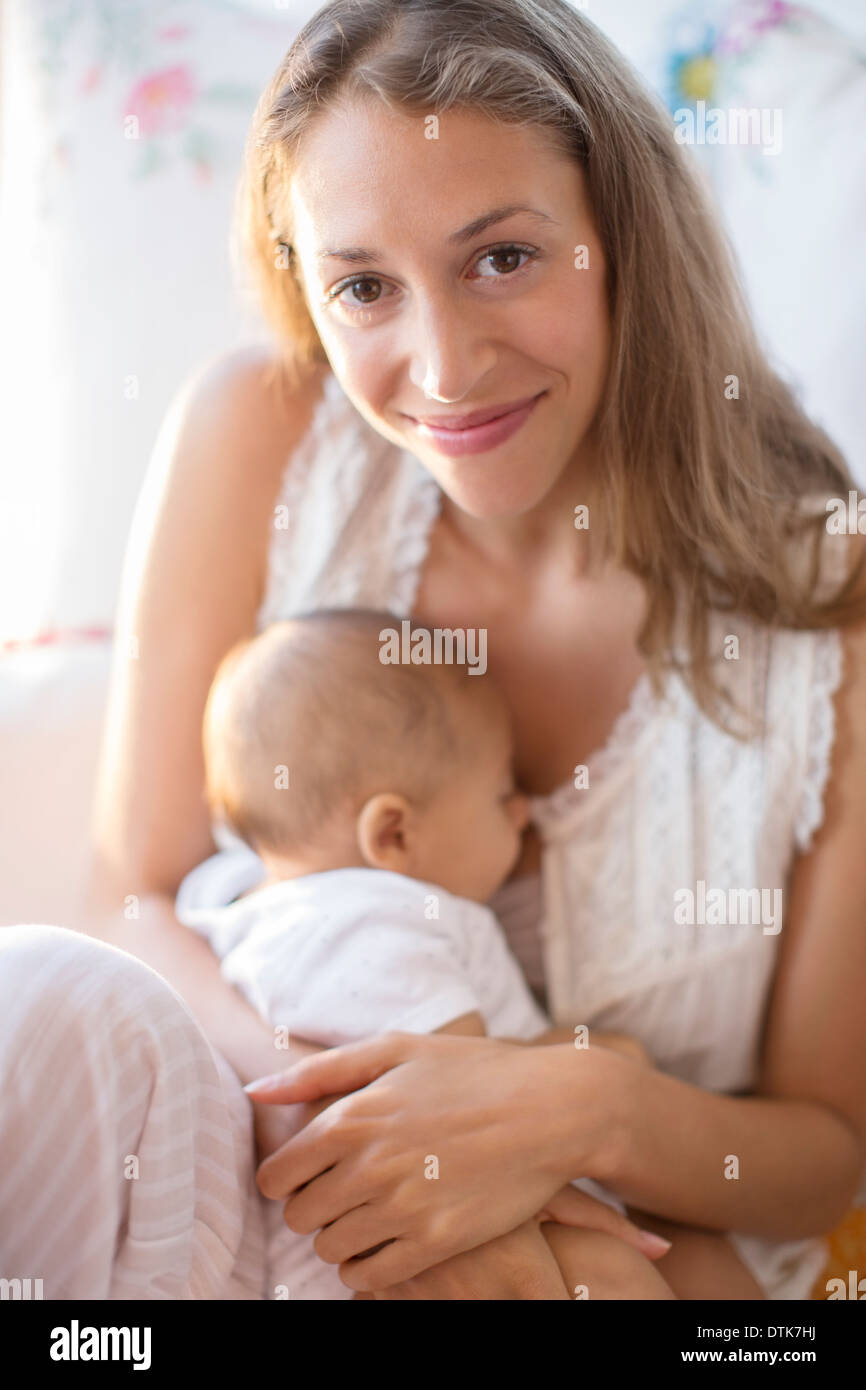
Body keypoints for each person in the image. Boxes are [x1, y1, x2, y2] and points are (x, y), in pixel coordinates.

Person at [2, 0, 865, 1300]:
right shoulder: (257, 439)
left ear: (621, 236)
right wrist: (338, 1115)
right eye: (362, 285)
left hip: (640, 1264)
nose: (444, 367)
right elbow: (140, 886)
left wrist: (566, 1118)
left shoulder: (830, 603)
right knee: (37, 988)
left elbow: (824, 1153)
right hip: (274, 1175)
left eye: (503, 257)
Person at [173, 609, 764, 1299]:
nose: (523, 813)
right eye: (502, 793)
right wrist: (601, 1058)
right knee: (626, 1279)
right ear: (391, 832)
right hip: (409, 1239)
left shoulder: (241, 900)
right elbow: (462, 1098)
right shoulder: (379, 928)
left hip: (352, 1226)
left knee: (699, 1266)